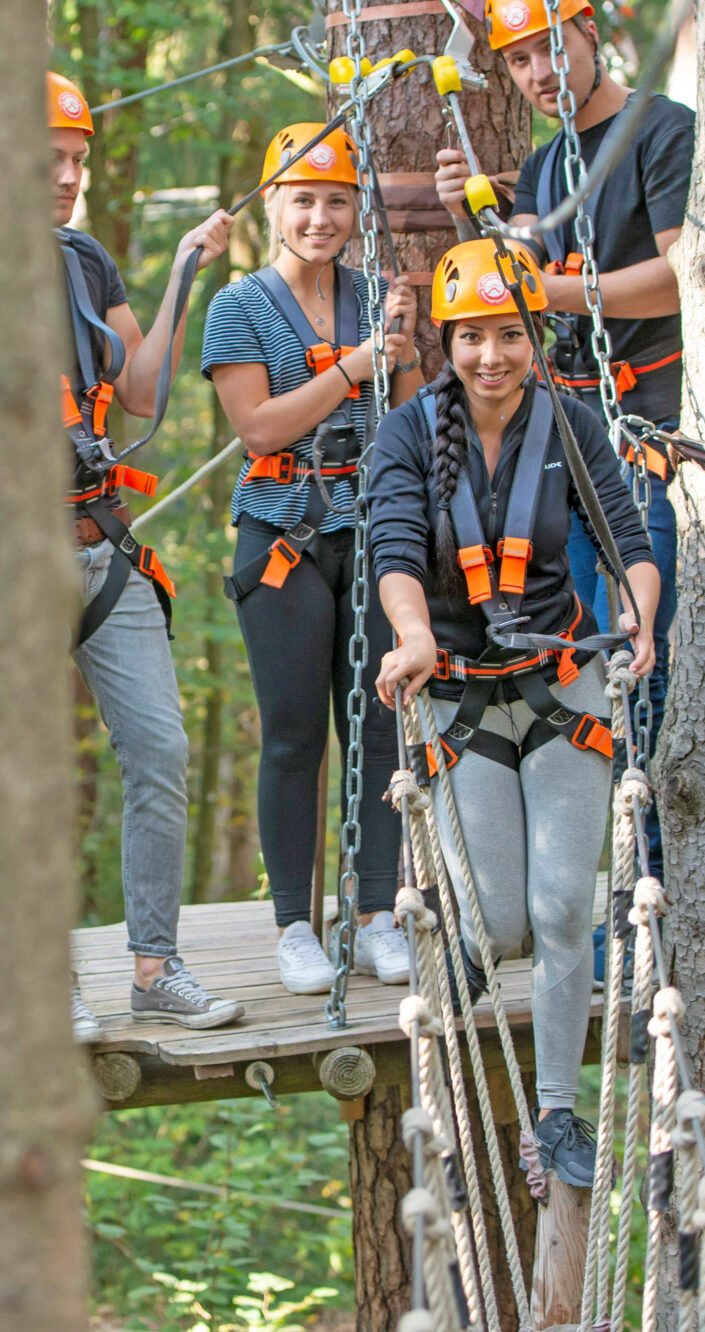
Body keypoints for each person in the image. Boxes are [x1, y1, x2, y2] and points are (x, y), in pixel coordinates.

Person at [368, 238, 659, 1187]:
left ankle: (559, 1117)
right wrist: (411, 635)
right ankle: (448, 1112)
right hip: (456, 695)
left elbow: (627, 538)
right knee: (492, 923)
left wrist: (639, 615)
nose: (491, 357)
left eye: (510, 336)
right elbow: (398, 551)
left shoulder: (569, 424)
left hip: (561, 682)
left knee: (564, 907)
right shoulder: (407, 434)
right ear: (447, 342)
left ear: (537, 337)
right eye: (473, 339)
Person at [434, 0, 693, 967]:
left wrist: (555, 293)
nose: (542, 70)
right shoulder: (546, 163)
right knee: (576, 677)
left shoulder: (659, 130)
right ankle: (608, 899)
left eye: (552, 45)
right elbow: (531, 285)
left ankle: (652, 908)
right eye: (520, 60)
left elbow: (679, 274)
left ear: (590, 30)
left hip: (644, 442)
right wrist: (496, 245)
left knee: (639, 667)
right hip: (565, 449)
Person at [202, 122, 422, 996]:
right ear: (275, 207)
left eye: (336, 202)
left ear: (355, 210)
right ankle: (296, 924)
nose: (320, 218)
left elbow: (402, 423)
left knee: (373, 727)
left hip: (367, 532)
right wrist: (358, 366)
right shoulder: (240, 306)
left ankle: (373, 915)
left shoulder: (377, 298)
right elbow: (259, 426)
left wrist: (398, 353)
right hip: (284, 535)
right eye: (304, 201)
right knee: (295, 735)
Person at [51, 70, 244, 1038]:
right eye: (49, 159)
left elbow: (137, 389)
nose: (68, 177)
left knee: (162, 750)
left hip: (99, 544)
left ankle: (154, 964)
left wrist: (180, 277)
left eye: (78, 160)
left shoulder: (85, 265)